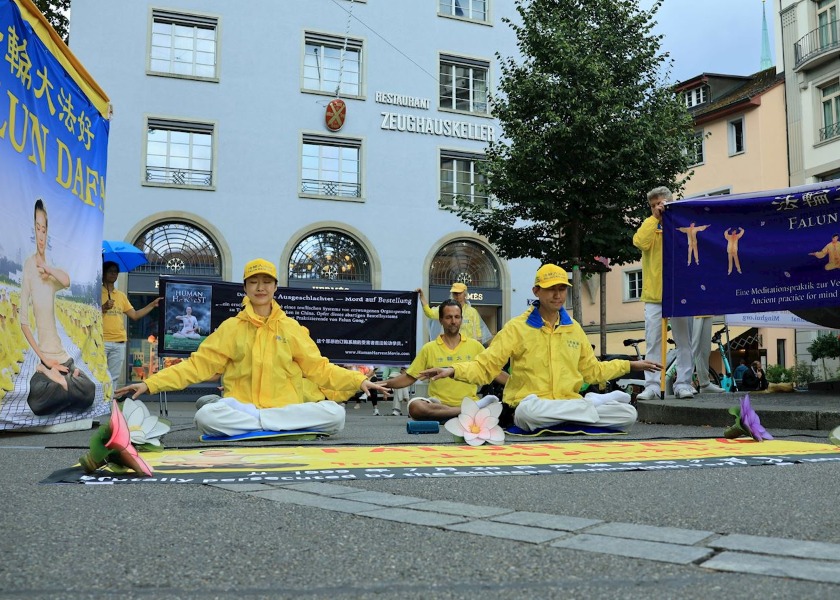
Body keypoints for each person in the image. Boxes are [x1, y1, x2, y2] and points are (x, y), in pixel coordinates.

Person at [117, 258, 389, 437]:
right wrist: (150, 384)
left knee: (336, 414)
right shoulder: (231, 328)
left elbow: (318, 369)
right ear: (245, 288)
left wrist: (358, 381)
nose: (261, 287)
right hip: (244, 409)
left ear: (275, 287)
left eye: (266, 281)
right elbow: (197, 366)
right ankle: (278, 428)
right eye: (254, 282)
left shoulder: (291, 328)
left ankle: (263, 426)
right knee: (206, 416)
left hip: (285, 408)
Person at [420, 265, 661, 433]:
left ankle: (577, 410)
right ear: (537, 291)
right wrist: (453, 369)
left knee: (628, 415)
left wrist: (631, 365)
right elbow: (485, 367)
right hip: (531, 404)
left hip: (565, 402)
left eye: (562, 289)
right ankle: (588, 407)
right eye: (551, 289)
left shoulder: (574, 328)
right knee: (528, 413)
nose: (558, 295)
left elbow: (592, 371)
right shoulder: (516, 328)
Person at [18, 199, 96, 416]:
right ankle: (60, 381)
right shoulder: (28, 266)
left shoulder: (48, 270)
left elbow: (66, 280)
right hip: (46, 362)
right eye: (37, 228)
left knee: (89, 392)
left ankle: (63, 383)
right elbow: (24, 323)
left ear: (47, 232)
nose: (41, 235)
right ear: (33, 230)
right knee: (36, 400)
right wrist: (44, 359)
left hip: (65, 360)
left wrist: (47, 268)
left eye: (44, 229)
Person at [381, 299, 507, 423]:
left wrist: (522, 386)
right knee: (415, 407)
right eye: (449, 317)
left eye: (457, 317)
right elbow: (408, 378)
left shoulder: (475, 346)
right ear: (440, 320)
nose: (453, 321)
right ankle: (463, 413)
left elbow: (496, 373)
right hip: (438, 405)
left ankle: (454, 414)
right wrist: (379, 385)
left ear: (461, 319)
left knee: (499, 406)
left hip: (470, 402)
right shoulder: (429, 348)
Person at [633, 186, 696, 400]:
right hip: (654, 295)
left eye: (660, 204)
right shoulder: (650, 225)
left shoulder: (682, 223)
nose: (657, 208)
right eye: (653, 205)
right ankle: (651, 385)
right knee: (653, 342)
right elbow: (639, 242)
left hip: (680, 292)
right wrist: (654, 219)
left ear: (670, 202)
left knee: (684, 340)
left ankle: (684, 384)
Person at [101, 261, 161, 393]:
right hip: (101, 341)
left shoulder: (121, 296)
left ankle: (109, 405)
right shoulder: (96, 292)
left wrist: (152, 304)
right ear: (103, 273)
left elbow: (134, 315)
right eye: (110, 271)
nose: (114, 274)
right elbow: (89, 315)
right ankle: (97, 404)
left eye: (116, 272)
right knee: (99, 375)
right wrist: (104, 307)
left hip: (119, 342)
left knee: (114, 377)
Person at [417, 282, 492, 345]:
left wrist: (477, 350)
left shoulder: (472, 312)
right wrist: (422, 297)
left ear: (465, 294)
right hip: (449, 347)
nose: (457, 295)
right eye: (455, 293)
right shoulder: (445, 308)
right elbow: (430, 313)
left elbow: (478, 334)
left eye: (460, 293)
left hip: (467, 348)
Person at [690, 317, 726, 394]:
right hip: (693, 308)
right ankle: (686, 382)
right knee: (693, 344)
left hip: (707, 309)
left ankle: (705, 383)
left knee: (705, 348)